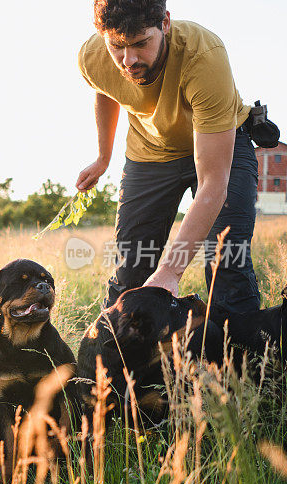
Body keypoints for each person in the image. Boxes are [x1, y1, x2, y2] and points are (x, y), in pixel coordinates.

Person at [76, 0, 260, 319]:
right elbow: (106, 88)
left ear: (165, 23)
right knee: (132, 267)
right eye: (117, 46)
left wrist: (170, 272)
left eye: (140, 44)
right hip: (151, 150)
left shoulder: (204, 56)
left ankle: (239, 362)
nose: (128, 60)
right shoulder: (92, 56)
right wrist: (103, 157)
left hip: (222, 146)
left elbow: (214, 186)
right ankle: (117, 364)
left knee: (226, 258)